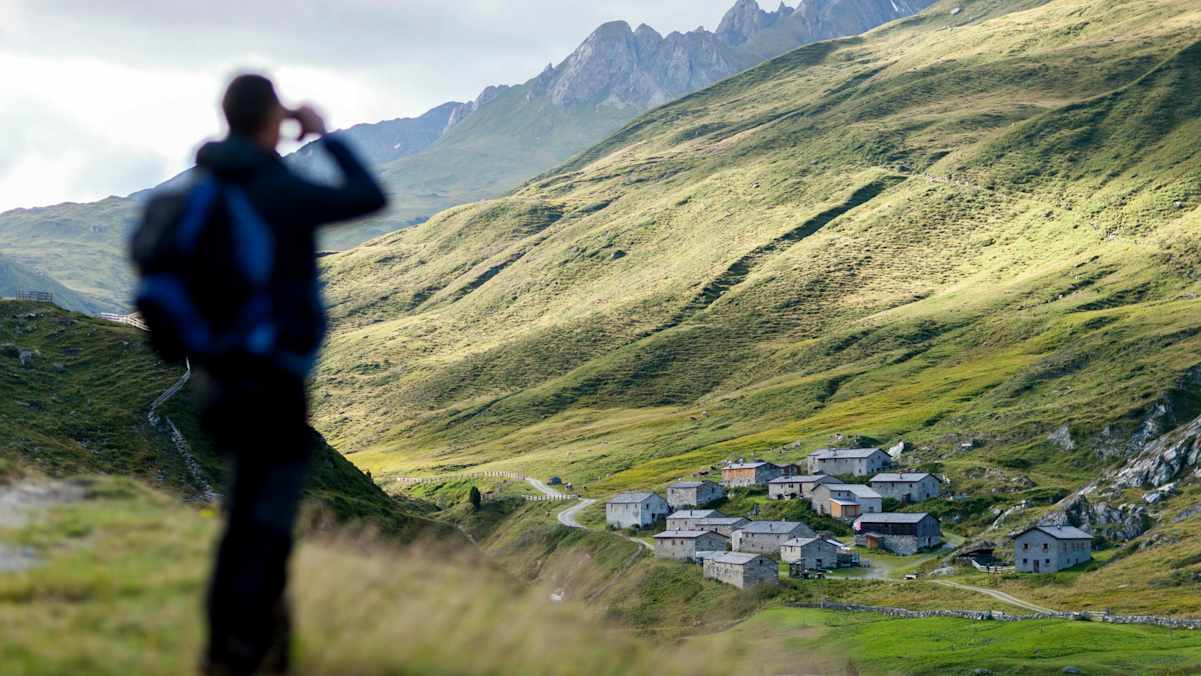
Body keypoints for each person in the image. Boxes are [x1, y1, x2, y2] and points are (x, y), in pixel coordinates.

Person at [192, 74, 387, 675]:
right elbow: (367, 195)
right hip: (272, 381)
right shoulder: (277, 188)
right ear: (272, 119)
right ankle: (255, 656)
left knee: (242, 512)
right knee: (269, 522)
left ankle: (233, 649)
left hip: (216, 381)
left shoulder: (203, 185)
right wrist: (325, 135)